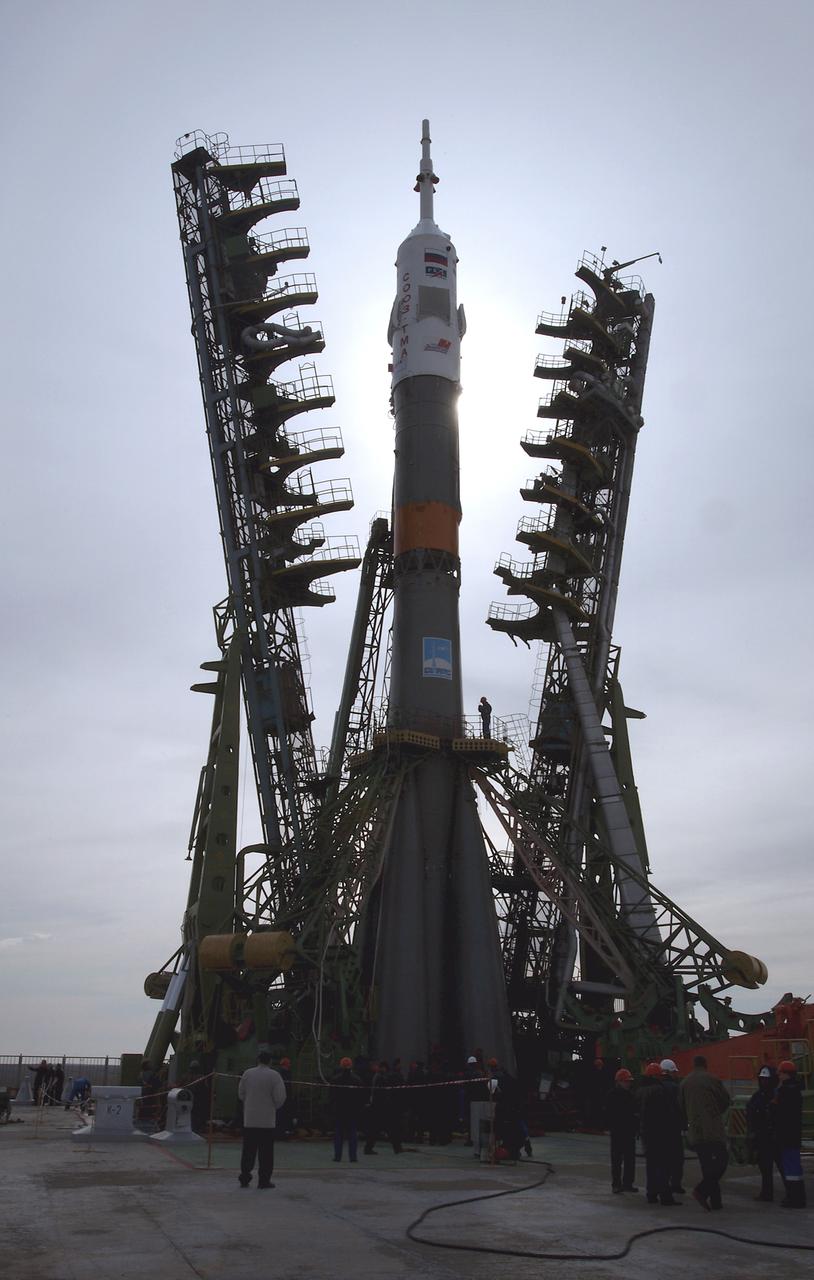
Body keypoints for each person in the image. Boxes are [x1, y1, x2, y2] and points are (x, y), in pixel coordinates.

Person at [680, 1055, 730, 1211]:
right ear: (705, 1065)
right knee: (722, 1161)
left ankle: (716, 1202)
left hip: (695, 1131)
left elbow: (681, 1107)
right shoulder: (712, 1079)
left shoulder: (684, 1083)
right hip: (713, 1129)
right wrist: (715, 1113)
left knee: (707, 1166)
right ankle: (701, 1191)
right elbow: (725, 1101)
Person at [237, 1050, 286, 1189]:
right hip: (267, 1122)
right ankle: (263, 1181)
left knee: (248, 1152)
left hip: (250, 1120)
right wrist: (272, 1107)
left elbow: (241, 1094)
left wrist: (250, 1104)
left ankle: (244, 1179)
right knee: (266, 1154)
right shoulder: (274, 1076)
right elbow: (280, 1098)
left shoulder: (247, 1074)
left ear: (258, 1060)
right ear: (270, 1061)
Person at [638, 1063, 681, 1205]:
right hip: (660, 1133)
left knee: (651, 1164)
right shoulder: (659, 1091)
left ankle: (651, 1194)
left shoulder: (640, 1091)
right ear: (657, 1075)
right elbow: (666, 1113)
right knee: (663, 1165)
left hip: (646, 1133)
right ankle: (665, 1196)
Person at [773, 1060, 806, 1208]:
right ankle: (798, 1197)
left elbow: (777, 1111)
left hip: (786, 1135)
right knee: (795, 1168)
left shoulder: (784, 1091)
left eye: (780, 1073)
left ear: (785, 1074)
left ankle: (794, 1198)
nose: (778, 1076)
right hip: (794, 1133)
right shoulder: (796, 1090)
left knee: (790, 1168)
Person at [605, 1068, 638, 1194]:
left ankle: (625, 1184)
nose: (628, 1083)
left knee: (627, 1159)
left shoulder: (628, 1095)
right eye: (626, 1081)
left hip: (625, 1131)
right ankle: (618, 1184)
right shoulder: (615, 1095)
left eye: (629, 1081)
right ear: (619, 1081)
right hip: (619, 1131)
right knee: (619, 1159)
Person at [746, 1066, 777, 1201]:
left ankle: (791, 1193)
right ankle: (766, 1193)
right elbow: (750, 1113)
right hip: (763, 1137)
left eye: (766, 1079)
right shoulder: (758, 1096)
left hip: (774, 1137)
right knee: (765, 1168)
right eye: (762, 1079)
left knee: (780, 1166)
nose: (763, 1082)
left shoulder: (776, 1095)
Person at [329, 1057, 363, 1162]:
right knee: (352, 1135)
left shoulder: (335, 1079)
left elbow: (332, 1096)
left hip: (339, 1111)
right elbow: (360, 1097)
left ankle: (337, 1156)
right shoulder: (357, 1080)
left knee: (338, 1135)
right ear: (351, 1065)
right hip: (352, 1111)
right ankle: (353, 1157)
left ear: (341, 1065)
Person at [659, 1059, 685, 1194]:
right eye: (674, 1072)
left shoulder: (657, 1087)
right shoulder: (675, 1088)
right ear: (670, 1072)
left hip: (661, 1129)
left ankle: (664, 1183)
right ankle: (675, 1184)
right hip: (674, 1128)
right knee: (677, 1158)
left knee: (664, 1159)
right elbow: (680, 1107)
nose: (676, 1075)